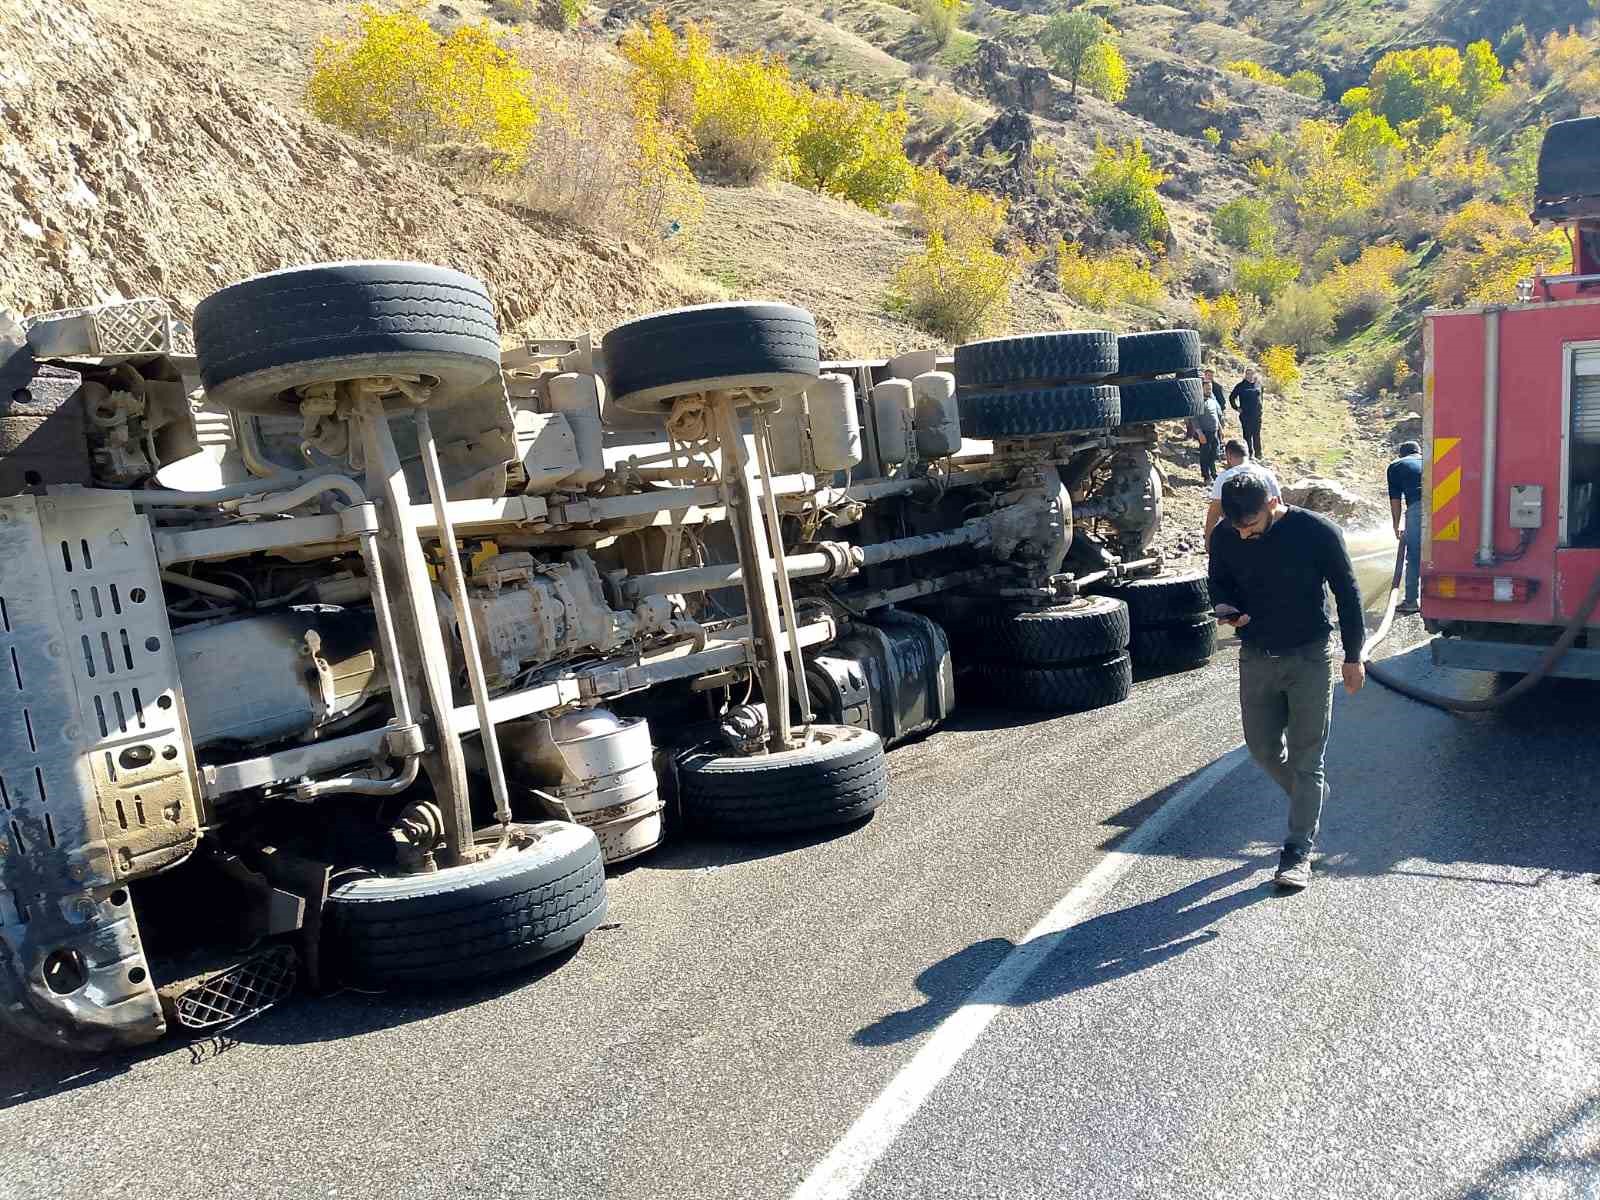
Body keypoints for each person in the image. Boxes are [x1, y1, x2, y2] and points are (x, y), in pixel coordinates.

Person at [1208, 471, 1366, 890]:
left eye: (1251, 527)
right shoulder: (1226, 533)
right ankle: (1309, 797)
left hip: (1309, 659)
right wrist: (1225, 607)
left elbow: (1348, 594)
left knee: (1306, 757)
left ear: (1273, 504)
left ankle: (1297, 853)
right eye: (1237, 527)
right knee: (1261, 749)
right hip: (1256, 657)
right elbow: (1219, 581)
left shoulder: (1317, 532)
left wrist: (1354, 656)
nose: (1243, 536)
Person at [1203, 439, 1280, 544]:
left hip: (1234, 537)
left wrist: (1208, 541)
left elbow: (1214, 513)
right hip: (1267, 535)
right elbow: (1279, 507)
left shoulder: (1224, 478)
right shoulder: (1267, 474)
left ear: (1228, 456)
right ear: (1247, 454)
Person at [1388, 440, 1424, 615]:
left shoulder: (1396, 465)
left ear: (1401, 454)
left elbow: (1396, 500)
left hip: (1419, 507)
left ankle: (1411, 601)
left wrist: (1396, 526)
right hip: (1447, 508)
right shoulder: (1429, 461)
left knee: (1414, 554)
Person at [1189, 378, 1225, 484]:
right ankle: (1206, 477)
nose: (1209, 390)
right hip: (1204, 433)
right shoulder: (1198, 402)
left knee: (1214, 454)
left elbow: (1216, 416)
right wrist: (1200, 433)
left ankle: (1213, 473)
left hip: (1215, 432)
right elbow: (1194, 419)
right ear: (1201, 389)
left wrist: (1220, 430)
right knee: (1205, 455)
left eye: (1210, 388)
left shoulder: (1212, 400)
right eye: (1207, 389)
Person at [1230, 366, 1265, 460]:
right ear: (1245, 375)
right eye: (1247, 373)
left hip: (1257, 415)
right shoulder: (1240, 386)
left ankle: (1258, 454)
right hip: (1245, 415)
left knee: (1256, 435)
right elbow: (1232, 397)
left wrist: (1261, 408)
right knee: (1247, 435)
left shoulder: (1258, 384)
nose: (1249, 375)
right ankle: (1249, 454)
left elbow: (1261, 396)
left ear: (1255, 374)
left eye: (1251, 373)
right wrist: (1236, 408)